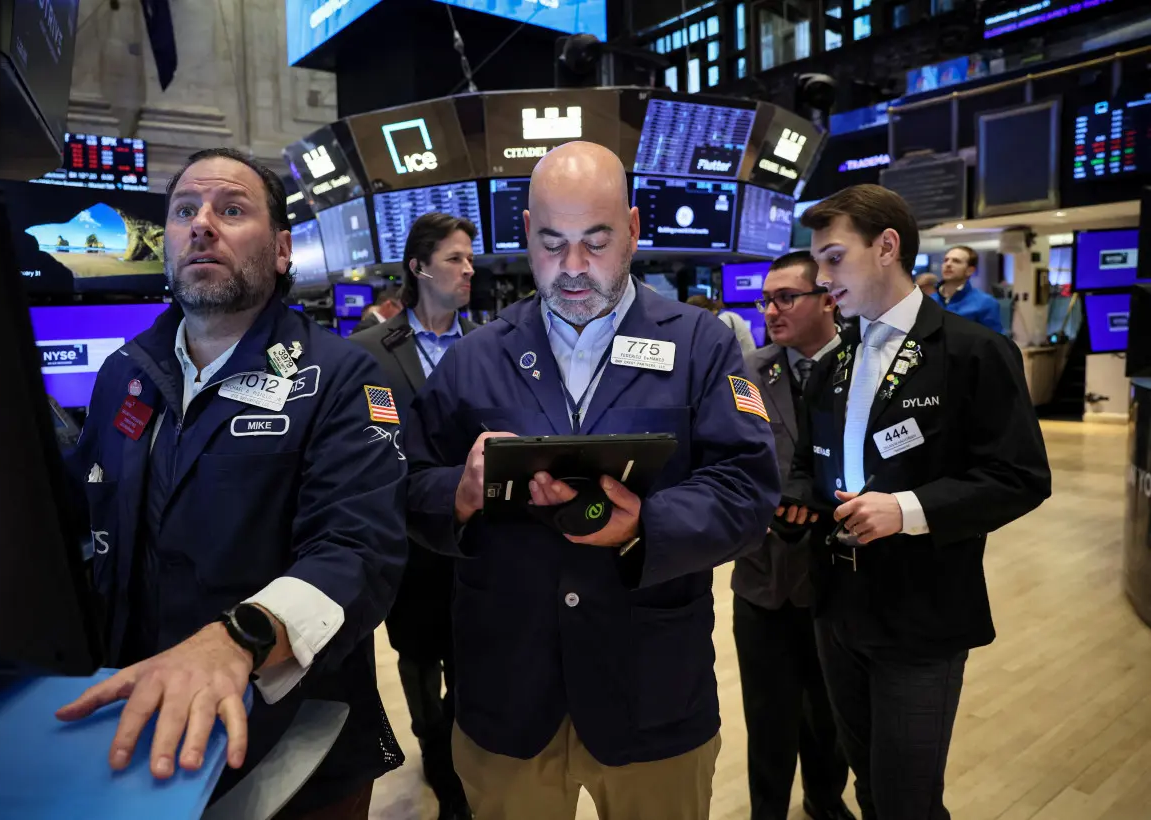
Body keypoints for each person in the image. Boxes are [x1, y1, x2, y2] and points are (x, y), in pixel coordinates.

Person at [403, 141, 781, 820]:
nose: (573, 267)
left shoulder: (703, 345)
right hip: (507, 692)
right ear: (524, 234)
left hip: (652, 690)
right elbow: (409, 484)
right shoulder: (474, 357)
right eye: (551, 243)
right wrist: (459, 493)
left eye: (596, 241)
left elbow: (748, 487)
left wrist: (646, 526)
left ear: (634, 228)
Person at [57, 148, 408, 819]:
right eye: (186, 210)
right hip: (138, 724)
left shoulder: (342, 378)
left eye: (232, 209)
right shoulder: (124, 375)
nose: (202, 224)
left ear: (282, 251)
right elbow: (77, 518)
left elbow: (359, 550)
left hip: (293, 745)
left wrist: (239, 637)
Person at [781, 184, 1051, 820]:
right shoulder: (832, 363)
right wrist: (791, 501)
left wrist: (904, 510)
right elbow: (807, 465)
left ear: (887, 248)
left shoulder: (973, 351)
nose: (822, 279)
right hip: (837, 608)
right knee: (870, 785)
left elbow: (1020, 476)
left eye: (833, 258)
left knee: (908, 799)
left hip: (921, 613)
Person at [349, 212, 478, 820]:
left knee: (476, 657)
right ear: (419, 266)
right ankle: (433, 748)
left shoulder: (488, 344)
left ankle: (458, 755)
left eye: (469, 259)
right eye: (455, 258)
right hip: (409, 542)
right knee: (420, 657)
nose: (468, 269)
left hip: (481, 538)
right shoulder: (370, 352)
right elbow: (359, 449)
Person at [733, 251, 854, 820]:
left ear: (828, 298)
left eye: (787, 297)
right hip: (764, 575)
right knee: (768, 713)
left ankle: (826, 801)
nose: (771, 310)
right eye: (766, 299)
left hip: (842, 577)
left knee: (831, 712)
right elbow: (734, 459)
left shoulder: (866, 368)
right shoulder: (748, 372)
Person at [931, 245, 1003, 334]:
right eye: (946, 260)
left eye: (956, 261)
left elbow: (996, 342)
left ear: (970, 270)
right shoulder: (929, 301)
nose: (948, 264)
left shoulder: (986, 303)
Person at [687, 293, 758, 355]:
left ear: (704, 310)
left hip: (744, 366)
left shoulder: (724, 319)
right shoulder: (725, 315)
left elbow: (717, 350)